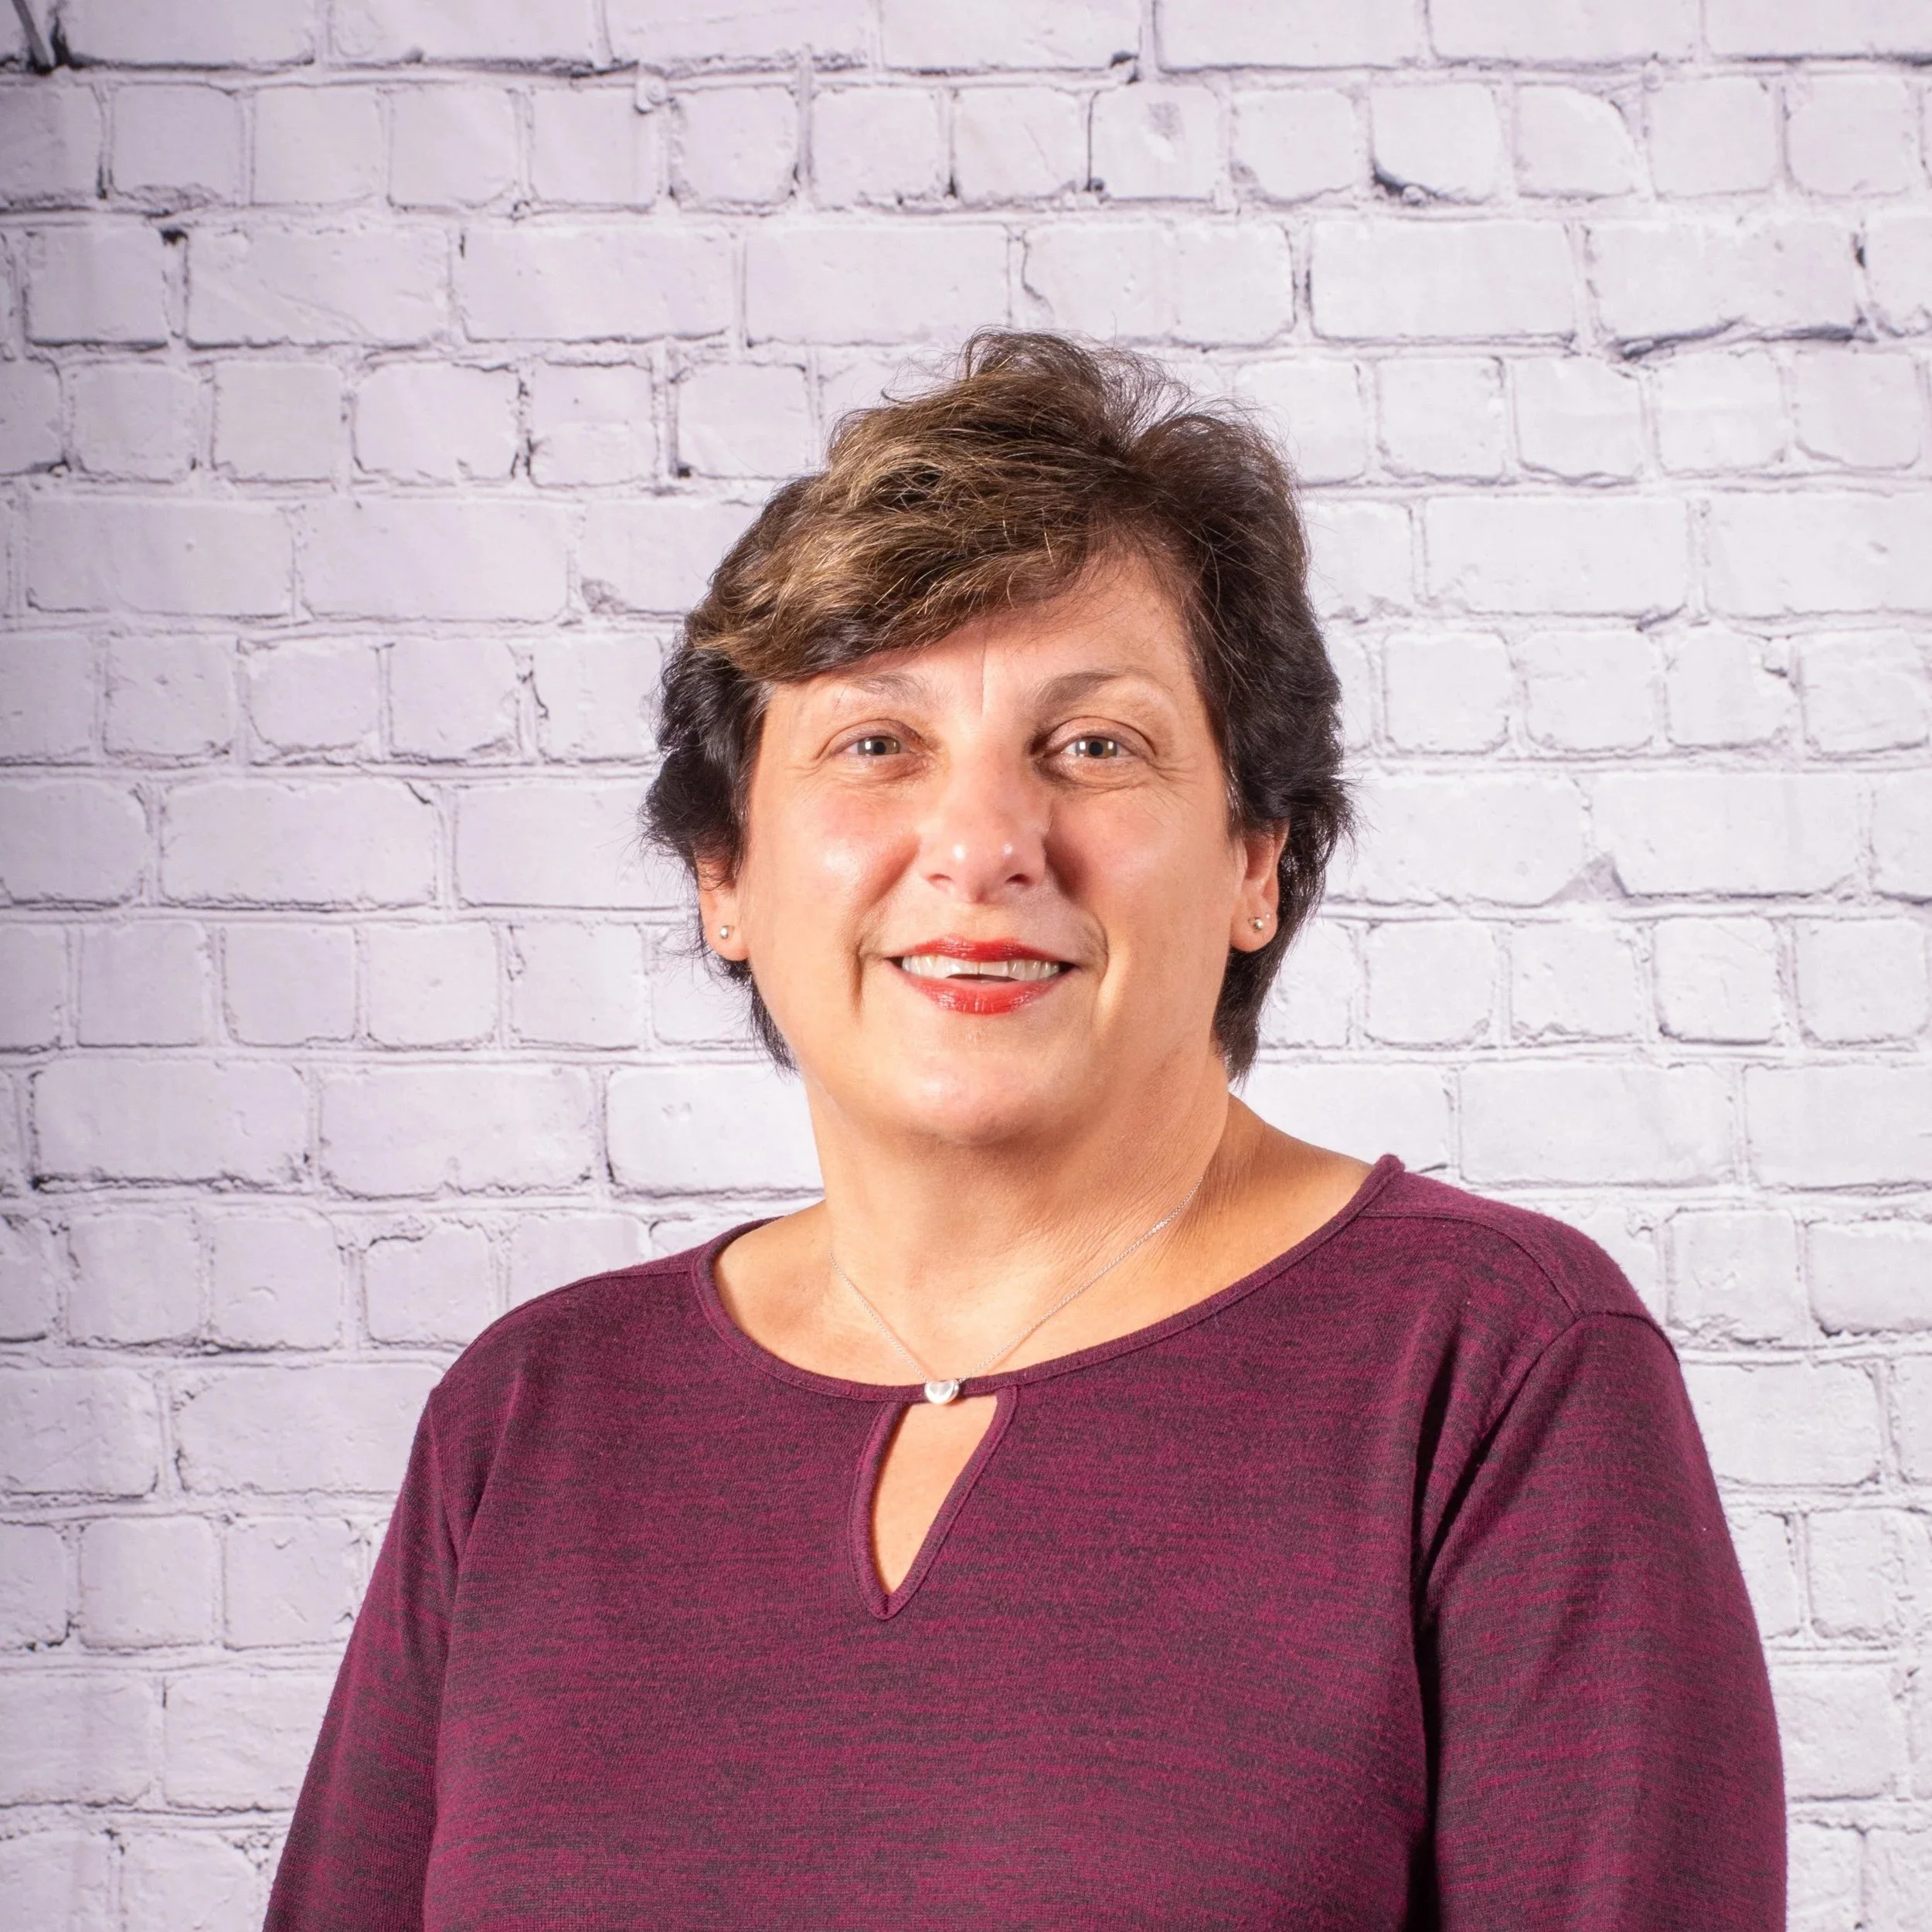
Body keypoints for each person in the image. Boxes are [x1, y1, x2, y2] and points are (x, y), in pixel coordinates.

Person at [266, 332, 1784, 1929]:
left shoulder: (1492, 1365)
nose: (983, 842)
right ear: (724, 870)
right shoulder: (530, 1417)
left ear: (1254, 857)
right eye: (874, 743)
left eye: (1092, 746)